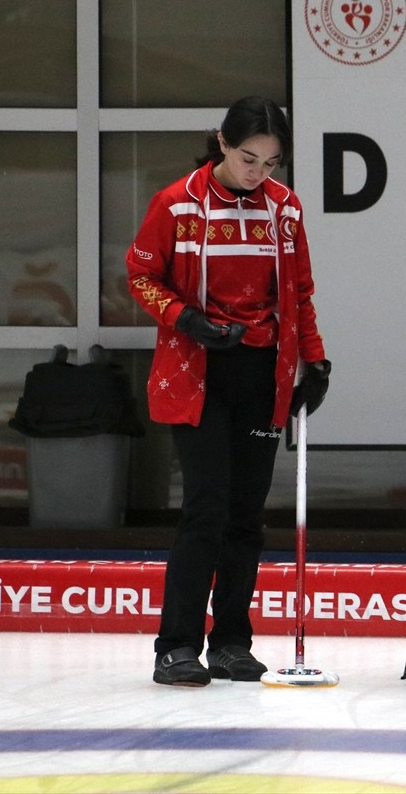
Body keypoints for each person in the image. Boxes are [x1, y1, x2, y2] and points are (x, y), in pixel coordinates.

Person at [126, 96, 331, 687]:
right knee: (206, 508)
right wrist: (184, 318)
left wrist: (315, 365)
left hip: (262, 370)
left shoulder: (284, 210)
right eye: (248, 158)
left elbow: (299, 293)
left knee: (246, 515)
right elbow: (141, 273)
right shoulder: (176, 203)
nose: (257, 173)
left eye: (270, 163)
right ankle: (177, 645)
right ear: (221, 142)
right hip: (197, 372)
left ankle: (233, 642)